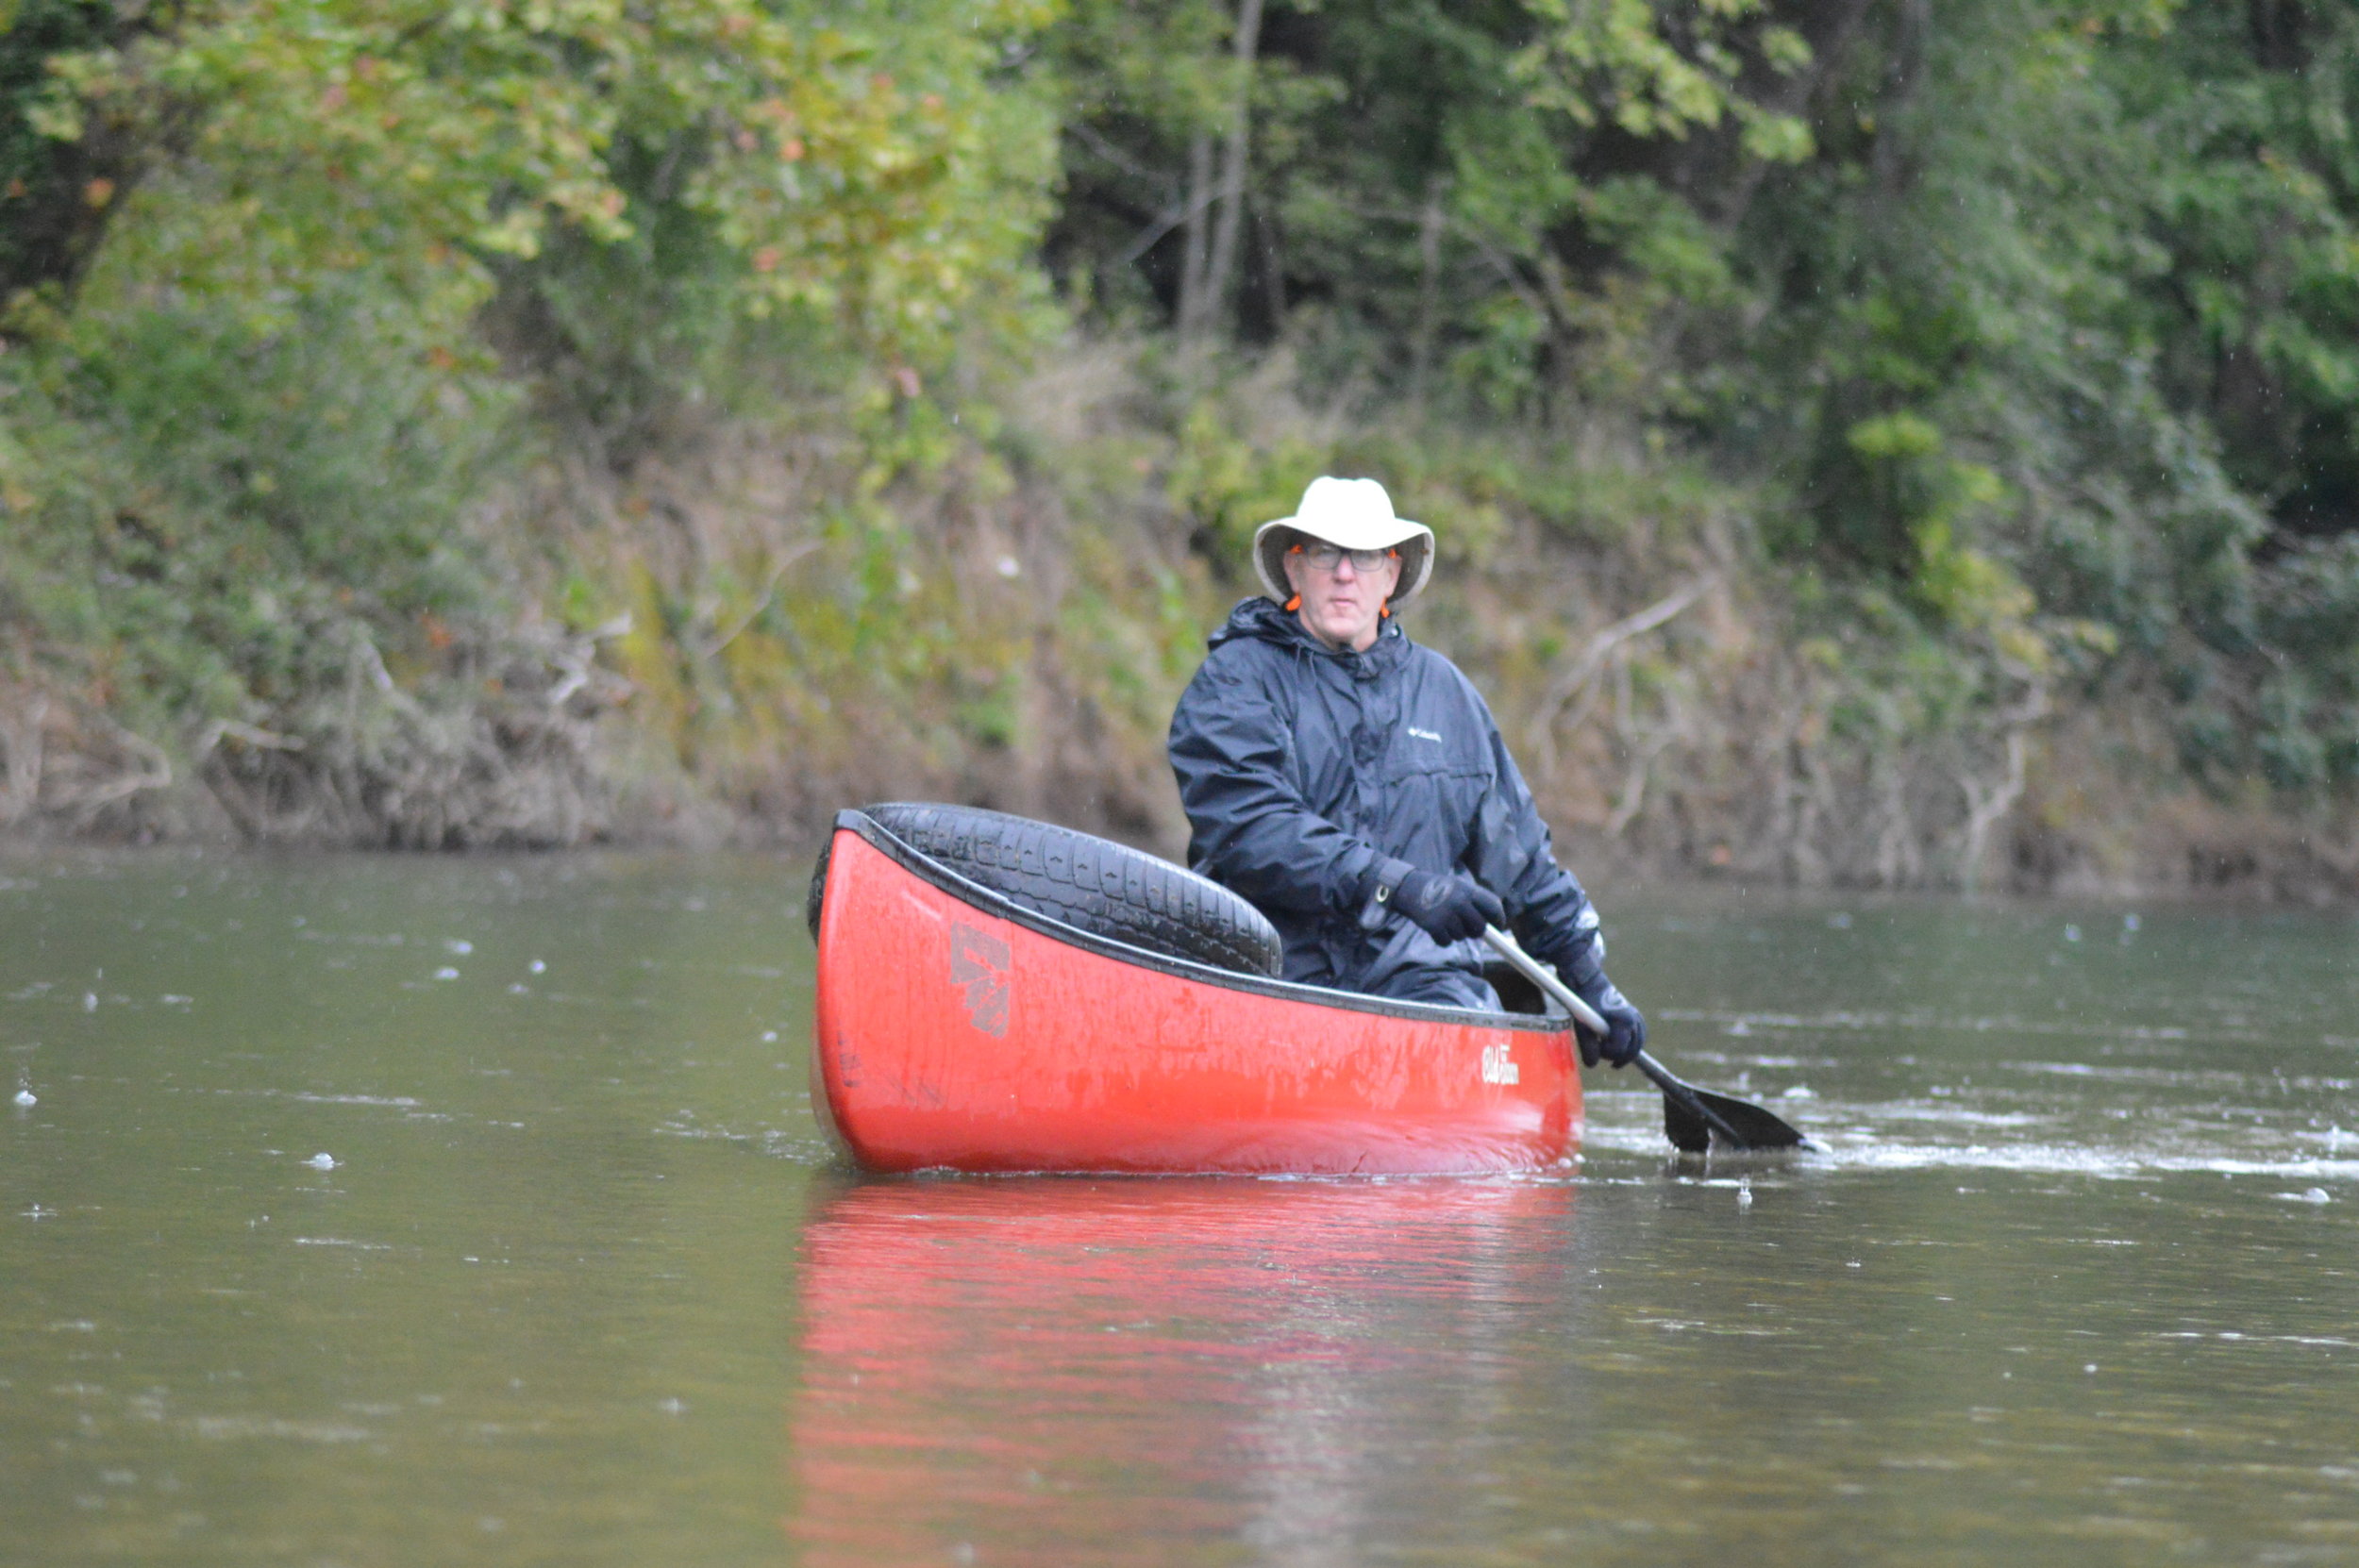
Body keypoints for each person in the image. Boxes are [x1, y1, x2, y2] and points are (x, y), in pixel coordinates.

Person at [1166, 475, 1646, 1067]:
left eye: (1365, 557)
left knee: (1464, 1004)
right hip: (1270, 978)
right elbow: (1251, 830)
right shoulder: (1237, 679)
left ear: (1390, 576)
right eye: (1324, 553)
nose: (1345, 573)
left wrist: (1588, 981)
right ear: (1295, 570)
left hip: (1423, 986)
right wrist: (1396, 882)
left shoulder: (1446, 692)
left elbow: (1518, 854)